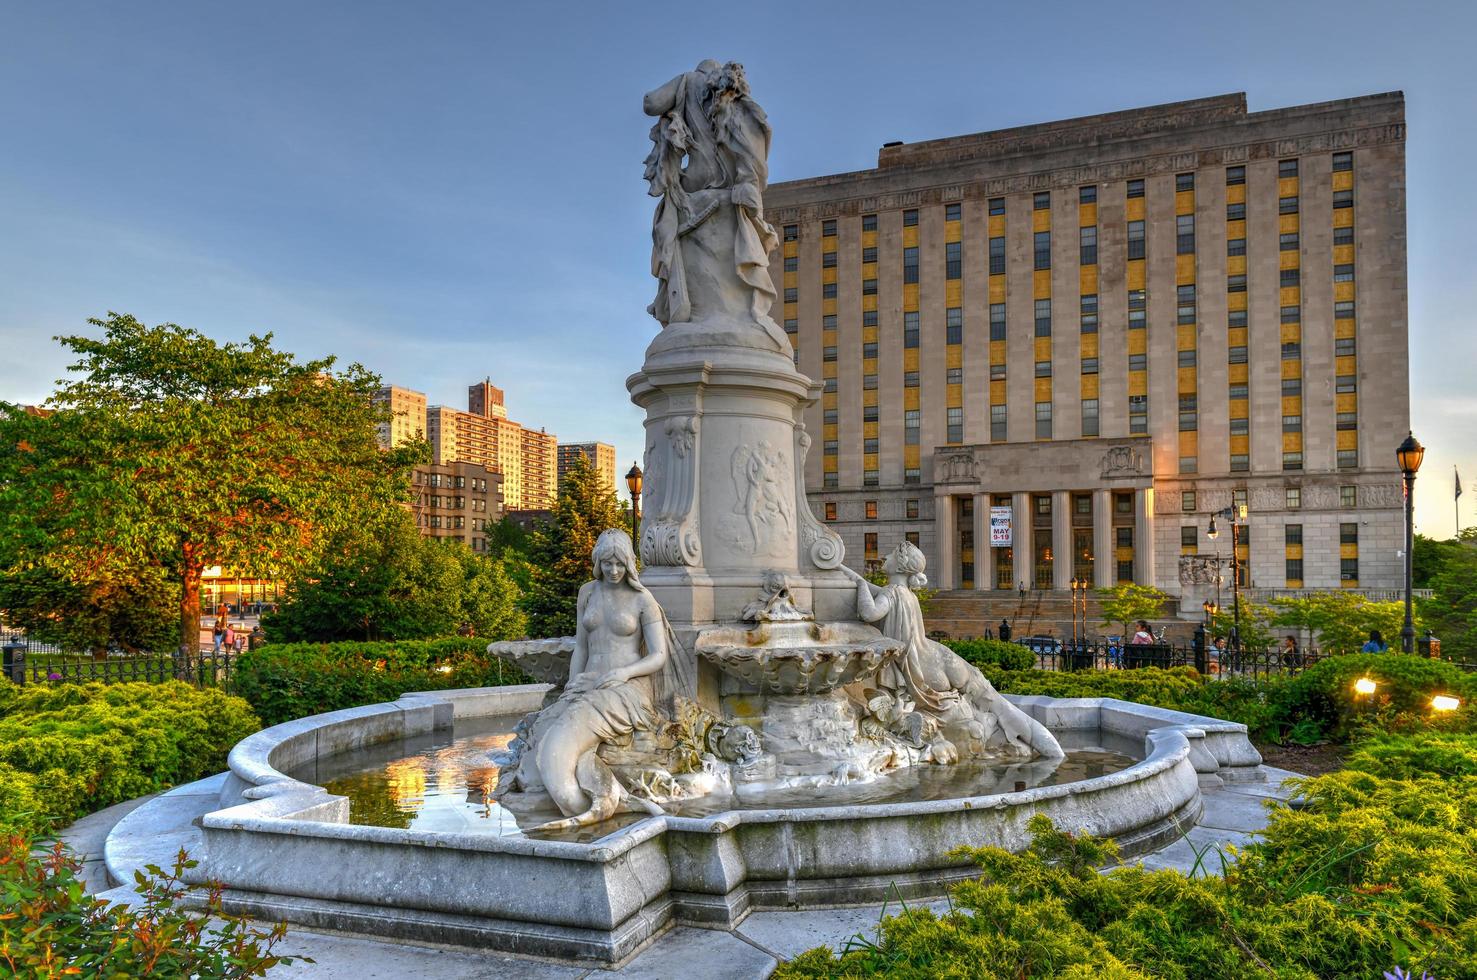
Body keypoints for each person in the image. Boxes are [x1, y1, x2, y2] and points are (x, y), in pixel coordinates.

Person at [501, 528, 693, 829]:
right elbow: (582, 646)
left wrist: (624, 673)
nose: (614, 570)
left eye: (619, 564)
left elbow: (659, 656)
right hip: (588, 684)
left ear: (629, 563)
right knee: (534, 759)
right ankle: (606, 797)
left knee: (560, 744)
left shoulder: (643, 599)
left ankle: (600, 804)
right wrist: (571, 686)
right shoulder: (587, 592)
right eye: (607, 564)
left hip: (624, 688)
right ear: (598, 563)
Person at [844, 542, 1062, 759]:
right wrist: (848, 574)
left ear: (900, 565)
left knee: (963, 707)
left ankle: (1010, 738)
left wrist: (861, 586)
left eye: (891, 554)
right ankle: (1038, 743)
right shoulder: (908, 594)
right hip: (936, 655)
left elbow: (869, 613)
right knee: (988, 697)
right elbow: (878, 592)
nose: (885, 557)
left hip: (919, 664)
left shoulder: (892, 593)